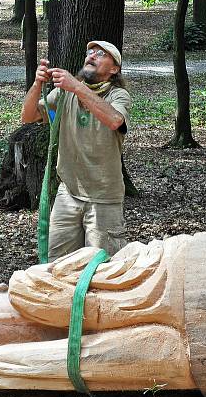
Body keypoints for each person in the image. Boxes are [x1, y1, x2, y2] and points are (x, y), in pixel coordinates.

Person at [20, 40, 132, 261]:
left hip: (103, 198)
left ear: (114, 69)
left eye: (101, 54)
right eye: (90, 51)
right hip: (68, 193)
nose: (92, 55)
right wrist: (36, 84)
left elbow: (115, 120)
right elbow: (28, 117)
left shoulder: (118, 96)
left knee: (103, 267)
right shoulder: (65, 93)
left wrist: (77, 87)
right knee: (57, 264)